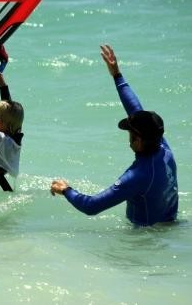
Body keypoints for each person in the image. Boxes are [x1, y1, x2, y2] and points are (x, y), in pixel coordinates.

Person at [50, 44, 178, 226]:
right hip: (170, 225)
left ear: (138, 140)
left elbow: (91, 206)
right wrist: (116, 75)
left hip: (146, 239)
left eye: (130, 132)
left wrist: (66, 190)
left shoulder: (138, 176)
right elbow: (136, 109)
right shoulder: (162, 147)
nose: (128, 135)